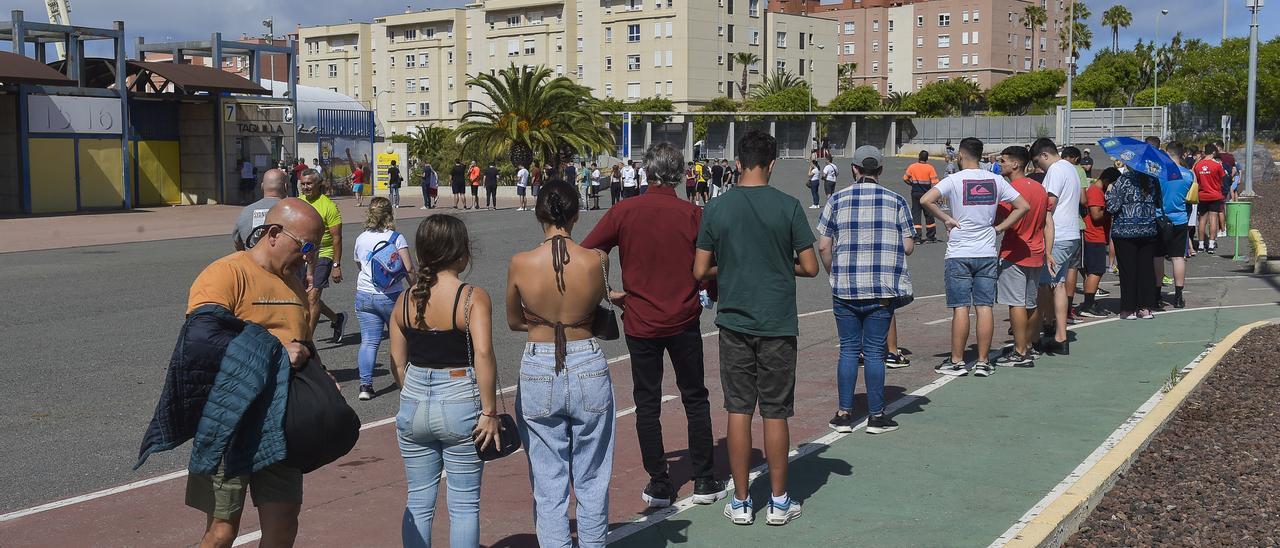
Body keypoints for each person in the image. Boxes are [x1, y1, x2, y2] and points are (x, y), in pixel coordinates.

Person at [582, 142, 727, 510]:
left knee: (647, 402)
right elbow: (711, 262)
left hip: (640, 320)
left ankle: (660, 481)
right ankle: (705, 477)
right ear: (679, 174)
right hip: (683, 318)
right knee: (694, 396)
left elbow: (588, 253)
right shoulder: (693, 214)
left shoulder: (624, 211)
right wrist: (708, 289)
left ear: (646, 171)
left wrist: (608, 290)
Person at [694, 130, 819, 527]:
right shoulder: (789, 206)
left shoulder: (717, 207)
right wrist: (779, 265)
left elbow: (700, 269)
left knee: (738, 409)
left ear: (736, 163)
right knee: (776, 412)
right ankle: (780, 502)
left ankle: (743, 501)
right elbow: (810, 266)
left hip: (734, 321)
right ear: (772, 164)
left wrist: (730, 266)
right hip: (777, 321)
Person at [185, 199, 323, 548]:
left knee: (283, 528)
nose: (308, 257)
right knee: (221, 533)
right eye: (305, 246)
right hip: (230, 421)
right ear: (274, 234)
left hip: (280, 424)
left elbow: (302, 344)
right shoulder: (226, 273)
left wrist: (321, 376)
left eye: (315, 250)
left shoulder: (293, 286)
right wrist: (275, 351)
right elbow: (201, 341)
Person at [506, 181, 614, 548]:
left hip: (539, 361)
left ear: (540, 214)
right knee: (592, 474)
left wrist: (541, 321)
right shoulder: (597, 259)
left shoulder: (520, 262)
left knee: (548, 477)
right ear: (576, 214)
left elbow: (513, 321)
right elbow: (599, 304)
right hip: (586, 357)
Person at [390, 214, 500, 548]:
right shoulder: (471, 297)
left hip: (414, 400)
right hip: (459, 399)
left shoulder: (406, 300)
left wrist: (415, 389)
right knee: (464, 505)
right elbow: (483, 354)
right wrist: (490, 411)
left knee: (419, 502)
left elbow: (397, 362)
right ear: (462, 253)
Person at [817, 146, 915, 435]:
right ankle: (876, 415)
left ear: (854, 170)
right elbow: (908, 245)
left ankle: (844, 413)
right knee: (874, 352)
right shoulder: (896, 201)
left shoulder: (837, 199)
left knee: (848, 350)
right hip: (882, 288)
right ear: (880, 171)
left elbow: (824, 245)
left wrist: (833, 272)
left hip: (845, 287)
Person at [921, 137, 1029, 377]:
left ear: (960, 155)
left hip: (959, 251)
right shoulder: (996, 180)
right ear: (981, 156)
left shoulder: (954, 179)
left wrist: (947, 219)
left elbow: (925, 199)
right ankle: (982, 361)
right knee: (984, 307)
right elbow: (1023, 206)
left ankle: (957, 360)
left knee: (960, 307)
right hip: (987, 250)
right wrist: (999, 228)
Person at [352, 197, 416, 400]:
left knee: (369, 342)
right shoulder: (396, 237)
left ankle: (365, 386)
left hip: (364, 294)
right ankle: (406, 382)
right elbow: (408, 268)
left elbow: (359, 264)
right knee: (401, 340)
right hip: (391, 295)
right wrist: (416, 287)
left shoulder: (361, 237)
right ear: (390, 214)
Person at [992, 146, 1050, 367]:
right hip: (1036, 250)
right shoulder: (1039, 188)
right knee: (1030, 302)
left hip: (1015, 251)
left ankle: (1019, 351)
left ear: (1016, 164)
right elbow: (1045, 219)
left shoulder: (1011, 190)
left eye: (1003, 160)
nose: (1001, 164)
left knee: (1015, 303)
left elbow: (1001, 217)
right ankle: (1029, 344)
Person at [1031, 138, 1082, 354]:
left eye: (1037, 162)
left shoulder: (1055, 171)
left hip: (1057, 234)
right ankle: (1060, 334)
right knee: (1058, 284)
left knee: (1044, 285)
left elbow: (1049, 204)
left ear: (1044, 155)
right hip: (1071, 233)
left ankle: (1038, 333)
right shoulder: (1071, 169)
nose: (1037, 167)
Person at [299, 169, 348, 343]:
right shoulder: (297, 203)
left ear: (318, 184)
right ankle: (337, 319)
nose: (305, 187)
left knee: (313, 296)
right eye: (303, 184)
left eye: (309, 184)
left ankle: (307, 343)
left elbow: (337, 237)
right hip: (302, 256)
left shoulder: (328, 206)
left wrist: (336, 265)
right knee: (305, 297)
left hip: (323, 253)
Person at [1106, 168, 1161, 320]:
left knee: (1127, 271)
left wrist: (1109, 190)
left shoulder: (1123, 180)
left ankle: (1128, 309)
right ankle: (1145, 308)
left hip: (1125, 231)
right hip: (1148, 229)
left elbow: (1112, 207)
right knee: (1146, 270)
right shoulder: (1152, 180)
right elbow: (1158, 203)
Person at [1156, 142, 1194, 310]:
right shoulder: (1188, 175)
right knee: (1178, 257)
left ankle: (1156, 295)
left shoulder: (1159, 174)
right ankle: (1178, 296)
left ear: (1167, 153)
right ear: (1182, 154)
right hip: (1180, 218)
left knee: (1157, 257)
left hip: (1160, 218)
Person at [1078, 167, 1118, 318]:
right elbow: (1096, 215)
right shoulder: (1095, 191)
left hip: (1097, 236)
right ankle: (1088, 304)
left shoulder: (1098, 191)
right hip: (1094, 236)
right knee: (1096, 270)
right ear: (1107, 181)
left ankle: (1090, 301)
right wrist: (1109, 209)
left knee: (1093, 271)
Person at [233, 169, 288, 251]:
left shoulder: (246, 211)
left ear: (262, 186)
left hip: (251, 260)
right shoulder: (292, 211)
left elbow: (237, 242)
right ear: (286, 187)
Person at [1194, 143, 1227, 254]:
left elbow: (1197, 180)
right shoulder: (1217, 165)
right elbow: (1222, 179)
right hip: (1215, 194)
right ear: (1213, 152)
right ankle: (1211, 244)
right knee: (1213, 219)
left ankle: (1201, 244)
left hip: (1202, 195)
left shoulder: (1198, 165)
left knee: (1202, 220)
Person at [903, 150, 940, 243]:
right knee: (929, 214)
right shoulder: (930, 168)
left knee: (916, 214)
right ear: (927, 158)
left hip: (915, 193)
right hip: (927, 194)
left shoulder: (912, 166)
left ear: (919, 157)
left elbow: (905, 178)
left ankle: (917, 237)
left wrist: (912, 184)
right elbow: (935, 183)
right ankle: (931, 236)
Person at [1214, 141, 1236, 238]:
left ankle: (1221, 228)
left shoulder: (1216, 158)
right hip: (1227, 185)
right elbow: (1234, 169)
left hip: (1219, 187)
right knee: (1223, 207)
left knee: (1219, 209)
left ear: (1218, 147)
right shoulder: (1230, 157)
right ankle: (1223, 227)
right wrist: (1230, 177)